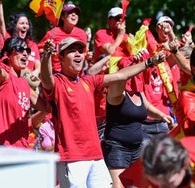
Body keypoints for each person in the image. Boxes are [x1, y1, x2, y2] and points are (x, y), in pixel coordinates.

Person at [41, 36, 165, 188]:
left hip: (96, 156)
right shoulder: (58, 82)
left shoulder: (89, 81)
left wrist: (149, 62)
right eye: (72, 51)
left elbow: (121, 75)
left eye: (80, 51)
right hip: (72, 157)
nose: (78, 54)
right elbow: (46, 79)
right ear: (60, 57)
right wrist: (46, 55)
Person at [103, 55, 173, 187]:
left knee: (139, 185)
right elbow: (122, 77)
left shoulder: (138, 94)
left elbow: (147, 108)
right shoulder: (115, 93)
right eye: (133, 70)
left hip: (137, 148)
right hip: (118, 149)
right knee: (120, 186)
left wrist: (162, 116)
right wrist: (145, 62)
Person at [0, 34, 50, 147]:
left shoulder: (24, 84)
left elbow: (46, 108)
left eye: (27, 50)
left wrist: (47, 57)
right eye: (19, 49)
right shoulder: (4, 76)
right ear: (7, 55)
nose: (25, 53)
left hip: (20, 148)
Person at [141, 15, 191, 144]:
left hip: (177, 106)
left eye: (170, 25)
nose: (167, 27)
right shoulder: (150, 47)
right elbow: (166, 61)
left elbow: (182, 58)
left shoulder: (177, 47)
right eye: (164, 25)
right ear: (157, 27)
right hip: (156, 110)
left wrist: (171, 35)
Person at [0, 1, 41, 79]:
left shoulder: (33, 45)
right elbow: (0, 23)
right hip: (11, 80)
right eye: (22, 23)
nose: (25, 26)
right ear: (14, 25)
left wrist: (36, 72)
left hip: (29, 84)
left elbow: (37, 64)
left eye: (27, 24)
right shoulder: (8, 39)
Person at [38, 2, 87, 73]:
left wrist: (88, 56)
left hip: (77, 76)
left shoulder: (82, 34)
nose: (74, 14)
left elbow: (84, 53)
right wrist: (48, 52)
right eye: (70, 12)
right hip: (57, 75)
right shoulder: (52, 33)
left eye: (76, 13)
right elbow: (38, 51)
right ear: (62, 17)